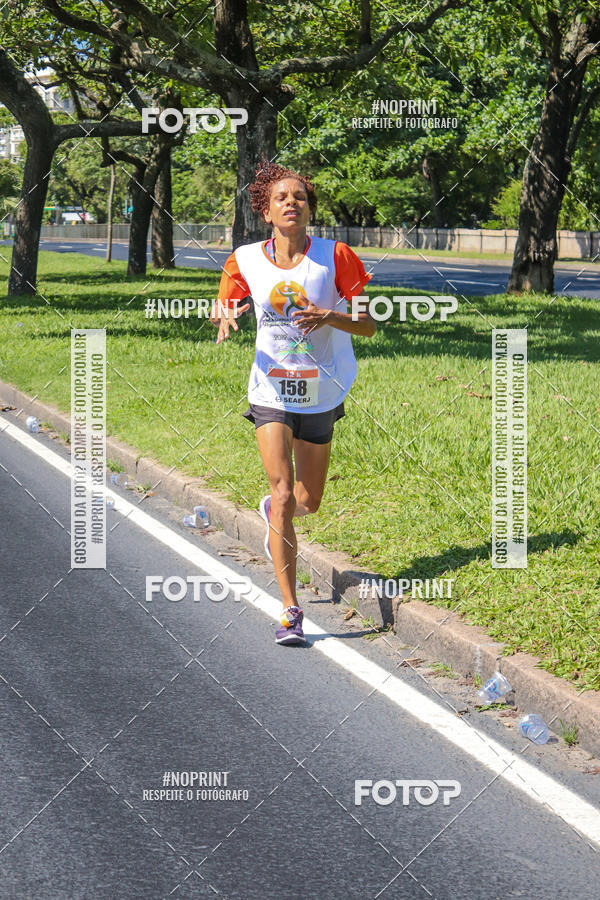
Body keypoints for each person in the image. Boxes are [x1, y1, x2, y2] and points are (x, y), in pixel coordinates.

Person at [211, 160, 376, 645]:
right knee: (284, 494)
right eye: (281, 196)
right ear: (265, 210)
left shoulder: (336, 256)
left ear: (308, 209)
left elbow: (367, 325)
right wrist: (223, 314)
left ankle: (274, 510)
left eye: (300, 196)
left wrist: (332, 316)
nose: (291, 201)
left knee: (309, 501)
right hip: (271, 388)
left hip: (321, 388)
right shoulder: (244, 259)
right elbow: (225, 302)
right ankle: (290, 611)